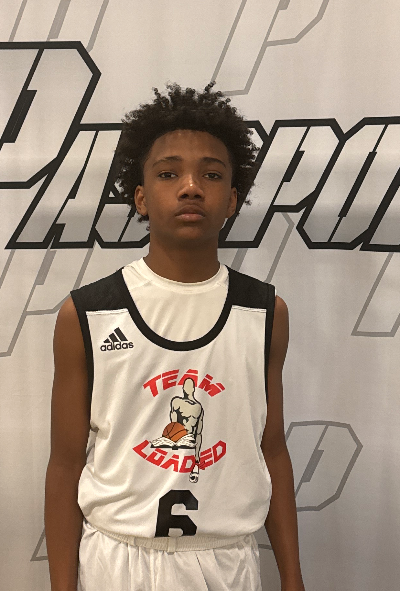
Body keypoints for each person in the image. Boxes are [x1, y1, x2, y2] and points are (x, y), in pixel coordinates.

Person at [44, 81, 305, 591]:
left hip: (227, 562)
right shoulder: (87, 313)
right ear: (140, 198)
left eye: (212, 174)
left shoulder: (265, 312)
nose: (191, 187)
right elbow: (66, 464)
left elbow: (271, 449)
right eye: (168, 174)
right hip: (118, 561)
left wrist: (292, 577)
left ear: (232, 200)